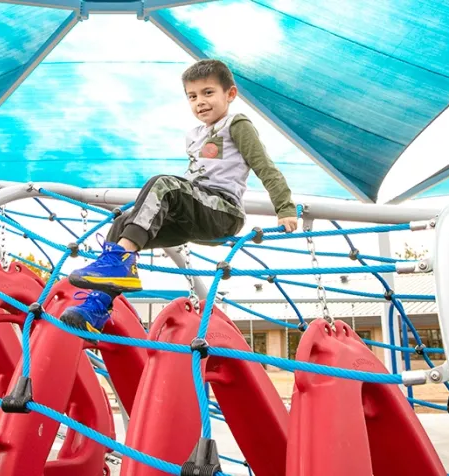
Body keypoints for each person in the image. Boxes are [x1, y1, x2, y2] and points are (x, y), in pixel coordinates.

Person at [60, 59, 298, 335]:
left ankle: (119, 260)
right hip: (192, 218)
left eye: (208, 93)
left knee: (164, 184)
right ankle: (97, 307)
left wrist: (285, 208)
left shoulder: (236, 124)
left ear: (230, 94)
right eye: (193, 96)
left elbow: (264, 166)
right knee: (123, 221)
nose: (200, 102)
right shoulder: (194, 134)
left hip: (222, 212)